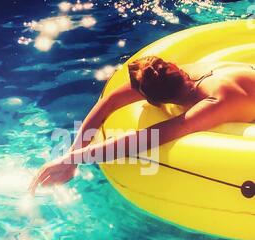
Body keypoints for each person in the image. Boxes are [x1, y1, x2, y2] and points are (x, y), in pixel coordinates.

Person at [29, 56, 255, 195]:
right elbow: (110, 102)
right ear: (174, 67)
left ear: (153, 102)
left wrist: (72, 159)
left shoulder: (216, 101)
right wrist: (72, 155)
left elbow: (147, 138)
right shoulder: (189, 72)